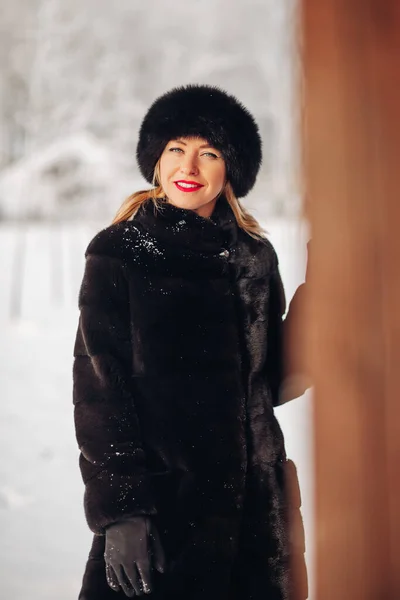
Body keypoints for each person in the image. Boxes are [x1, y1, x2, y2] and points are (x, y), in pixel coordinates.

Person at [73, 84, 309, 600]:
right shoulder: (121, 252)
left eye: (211, 153)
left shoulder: (254, 256)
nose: (190, 166)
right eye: (177, 148)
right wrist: (123, 512)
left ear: (232, 171)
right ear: (156, 161)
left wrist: (326, 295)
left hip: (255, 520)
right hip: (164, 517)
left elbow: (271, 381)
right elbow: (99, 393)